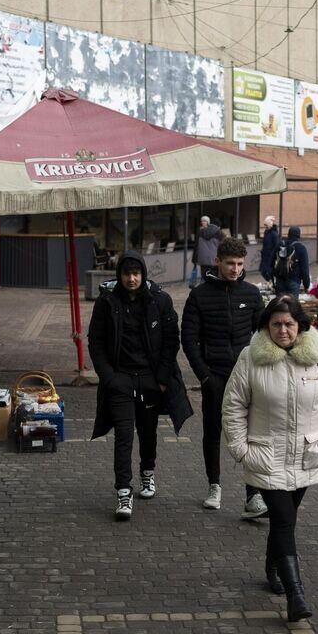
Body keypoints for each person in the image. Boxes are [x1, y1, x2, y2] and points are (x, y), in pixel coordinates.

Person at [221, 295, 318, 623]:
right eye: (275, 324)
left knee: (285, 521)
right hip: (266, 456)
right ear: (266, 326)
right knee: (282, 520)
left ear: (300, 326)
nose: (283, 330)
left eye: (289, 324)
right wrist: (242, 450)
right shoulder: (251, 358)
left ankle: (272, 565)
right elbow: (233, 405)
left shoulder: (317, 358)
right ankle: (296, 593)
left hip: (308, 455)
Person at [89, 251, 191, 520]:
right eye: (127, 273)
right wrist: (108, 376)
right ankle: (124, 492)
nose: (132, 278)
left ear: (143, 274)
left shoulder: (159, 300)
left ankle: (148, 472)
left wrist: (161, 378)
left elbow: (172, 339)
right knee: (123, 435)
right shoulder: (107, 302)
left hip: (150, 379)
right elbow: (95, 341)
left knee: (148, 431)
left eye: (136, 273)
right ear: (119, 275)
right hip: (120, 379)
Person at [182, 237, 267, 518]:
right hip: (214, 375)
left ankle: (253, 494)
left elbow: (262, 336)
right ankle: (214, 485)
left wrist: (258, 368)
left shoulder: (252, 295)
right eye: (230, 263)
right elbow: (189, 338)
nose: (235, 268)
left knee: (251, 434)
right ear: (217, 261)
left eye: (240, 264)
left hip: (246, 375)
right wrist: (204, 375)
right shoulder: (199, 295)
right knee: (213, 432)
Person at [273, 226, 310, 296]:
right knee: (292, 305)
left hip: (280, 281)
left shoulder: (280, 245)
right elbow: (305, 269)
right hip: (294, 281)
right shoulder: (301, 248)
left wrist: (273, 277)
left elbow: (272, 261)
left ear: (288, 234)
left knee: (280, 305)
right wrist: (306, 285)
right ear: (298, 235)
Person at [192, 216, 222, 288]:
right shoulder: (218, 232)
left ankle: (203, 290)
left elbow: (196, 246)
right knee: (213, 276)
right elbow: (221, 246)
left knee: (204, 276)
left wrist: (194, 259)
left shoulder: (201, 231)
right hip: (214, 259)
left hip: (202, 259)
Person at [260, 216, 280, 282]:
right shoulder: (266, 233)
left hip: (270, 256)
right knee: (263, 271)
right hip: (265, 256)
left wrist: (273, 255)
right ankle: (271, 282)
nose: (265, 226)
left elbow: (277, 245)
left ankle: (272, 283)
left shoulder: (274, 234)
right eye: (264, 225)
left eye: (266, 225)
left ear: (269, 224)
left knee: (268, 271)